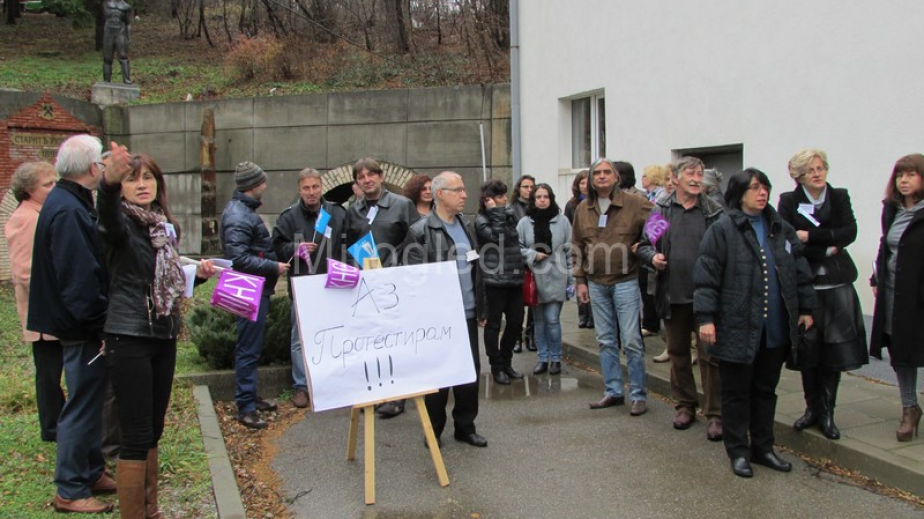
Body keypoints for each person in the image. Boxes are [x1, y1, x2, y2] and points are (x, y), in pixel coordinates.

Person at [97, 153, 217, 519]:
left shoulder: (164, 228)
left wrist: (197, 276)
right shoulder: (118, 224)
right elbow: (107, 216)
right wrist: (107, 184)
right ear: (121, 187)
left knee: (153, 430)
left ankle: (151, 510)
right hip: (128, 334)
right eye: (132, 179)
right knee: (134, 435)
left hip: (163, 333)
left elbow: (164, 280)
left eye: (148, 177)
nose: (141, 184)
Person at [29, 135, 129, 513]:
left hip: (77, 323)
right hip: (81, 326)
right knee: (83, 404)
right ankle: (70, 488)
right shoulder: (69, 210)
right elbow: (78, 279)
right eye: (101, 163)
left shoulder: (68, 200)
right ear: (92, 168)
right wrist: (99, 324)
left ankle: (90, 471)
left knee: (89, 399)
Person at [694, 168, 815, 478]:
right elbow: (706, 277)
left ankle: (763, 447)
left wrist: (805, 308)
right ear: (739, 194)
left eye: (765, 187)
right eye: (755, 188)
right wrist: (706, 318)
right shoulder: (723, 229)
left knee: (765, 390)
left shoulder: (780, 228)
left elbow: (799, 270)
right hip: (736, 325)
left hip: (774, 328)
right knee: (736, 392)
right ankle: (738, 451)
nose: (762, 193)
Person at [778, 149, 868, 440]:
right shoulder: (789, 201)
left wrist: (812, 237)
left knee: (833, 349)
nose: (817, 174)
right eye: (810, 170)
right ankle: (811, 409)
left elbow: (849, 232)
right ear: (799, 175)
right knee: (808, 349)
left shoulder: (839, 196)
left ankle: (828, 412)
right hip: (806, 284)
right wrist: (826, 246)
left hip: (837, 284)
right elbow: (788, 238)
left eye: (820, 168)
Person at [638, 156, 725, 440]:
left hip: (707, 298)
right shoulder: (663, 210)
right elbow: (644, 246)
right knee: (677, 354)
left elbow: (726, 250)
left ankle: (715, 414)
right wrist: (654, 258)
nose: (697, 179)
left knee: (710, 356)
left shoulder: (713, 211)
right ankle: (685, 405)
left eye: (700, 174)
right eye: (691, 174)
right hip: (673, 295)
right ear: (676, 178)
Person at [406, 171, 487, 447]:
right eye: (458, 190)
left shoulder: (467, 225)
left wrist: (482, 307)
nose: (465, 194)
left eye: (463, 189)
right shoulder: (420, 231)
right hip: (439, 319)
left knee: (469, 374)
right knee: (438, 378)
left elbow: (477, 269)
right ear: (440, 194)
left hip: (468, 313)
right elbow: (413, 279)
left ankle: (465, 427)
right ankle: (434, 431)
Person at [573, 157, 652, 417]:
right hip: (596, 283)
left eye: (607, 172)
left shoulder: (635, 203)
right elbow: (577, 247)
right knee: (605, 340)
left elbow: (662, 223)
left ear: (616, 177)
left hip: (625, 281)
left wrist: (646, 245)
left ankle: (638, 395)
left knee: (631, 341)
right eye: (597, 173)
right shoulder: (583, 209)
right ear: (591, 179)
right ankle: (613, 391)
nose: (602, 176)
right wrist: (580, 281)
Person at [345, 157, 419, 417]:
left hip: (395, 282)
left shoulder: (402, 205)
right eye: (361, 177)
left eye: (371, 175)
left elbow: (416, 242)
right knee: (371, 340)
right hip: (366, 284)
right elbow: (349, 245)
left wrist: (402, 270)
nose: (367, 180)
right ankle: (375, 391)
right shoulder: (354, 211)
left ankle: (397, 396)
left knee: (396, 340)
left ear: (381, 176)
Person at [221, 161, 289, 429]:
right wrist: (274, 267)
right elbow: (238, 258)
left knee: (251, 346)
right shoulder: (239, 215)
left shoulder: (243, 211)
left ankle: (250, 396)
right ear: (254, 184)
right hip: (248, 288)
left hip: (253, 286)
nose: (266, 185)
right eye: (263, 181)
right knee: (248, 348)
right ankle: (246, 407)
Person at [272, 168, 346, 408]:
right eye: (306, 188)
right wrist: (295, 248)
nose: (312, 192)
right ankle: (301, 386)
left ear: (321, 187)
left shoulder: (336, 213)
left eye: (315, 187)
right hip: (302, 285)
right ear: (299, 190)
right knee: (299, 339)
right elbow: (276, 247)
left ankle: (332, 382)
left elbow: (349, 242)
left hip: (332, 285)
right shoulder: (288, 217)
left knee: (334, 334)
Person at [5, 161, 63, 443]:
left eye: (55, 182)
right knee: (49, 372)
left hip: (52, 308)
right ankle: (52, 427)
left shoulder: (42, 213)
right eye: (47, 184)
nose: (54, 188)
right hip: (44, 311)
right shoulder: (26, 218)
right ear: (29, 190)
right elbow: (25, 271)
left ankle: (59, 421)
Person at [869, 153, 924, 442]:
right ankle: (909, 408)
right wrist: (877, 277)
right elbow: (885, 245)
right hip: (894, 296)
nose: (903, 180)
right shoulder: (892, 210)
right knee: (901, 353)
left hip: (919, 297)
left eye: (911, 174)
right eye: (900, 175)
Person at [517, 184, 573, 375]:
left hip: (558, 277)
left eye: (546, 196)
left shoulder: (562, 221)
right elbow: (516, 246)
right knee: (539, 321)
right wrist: (533, 255)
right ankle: (542, 359)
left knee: (552, 319)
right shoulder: (524, 223)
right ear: (533, 200)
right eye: (538, 197)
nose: (542, 200)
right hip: (535, 280)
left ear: (551, 198)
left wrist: (572, 280)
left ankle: (556, 359)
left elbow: (570, 251)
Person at [476, 179, 526, 385]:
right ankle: (496, 367)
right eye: (500, 196)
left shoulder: (509, 214)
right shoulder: (481, 220)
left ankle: (507, 361)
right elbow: (498, 239)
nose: (505, 199)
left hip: (513, 276)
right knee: (494, 325)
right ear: (488, 199)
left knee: (515, 323)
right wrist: (496, 213)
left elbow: (513, 240)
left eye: (505, 195)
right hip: (494, 280)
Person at [510, 174, 537, 353]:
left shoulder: (538, 206)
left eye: (531, 187)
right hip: (517, 259)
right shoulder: (512, 209)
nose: (529, 190)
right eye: (525, 186)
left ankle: (530, 335)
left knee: (534, 300)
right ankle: (517, 337)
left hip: (535, 258)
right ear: (519, 188)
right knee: (518, 303)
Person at [564, 170, 594, 329]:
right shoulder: (572, 204)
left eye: (587, 182)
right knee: (580, 282)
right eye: (581, 183)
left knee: (593, 284)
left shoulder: (596, 202)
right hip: (577, 247)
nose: (584, 186)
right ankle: (583, 316)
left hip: (593, 248)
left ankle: (593, 317)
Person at [102, 0, 133, 84]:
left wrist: (128, 38)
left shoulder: (126, 6)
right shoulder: (106, 3)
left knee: (123, 56)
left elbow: (128, 24)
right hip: (108, 32)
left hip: (120, 32)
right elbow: (104, 17)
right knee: (107, 58)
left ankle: (126, 80)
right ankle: (106, 80)